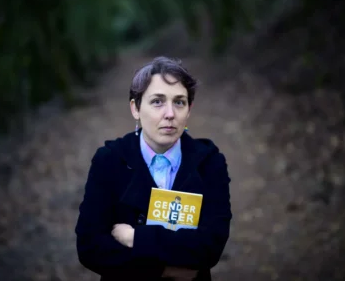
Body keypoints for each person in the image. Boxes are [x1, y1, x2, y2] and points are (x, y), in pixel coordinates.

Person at [75, 56, 232, 281]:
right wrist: (163, 271)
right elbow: (90, 248)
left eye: (179, 102)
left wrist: (135, 238)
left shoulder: (209, 163)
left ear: (189, 110)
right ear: (135, 108)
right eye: (157, 101)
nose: (170, 113)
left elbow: (209, 247)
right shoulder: (109, 160)